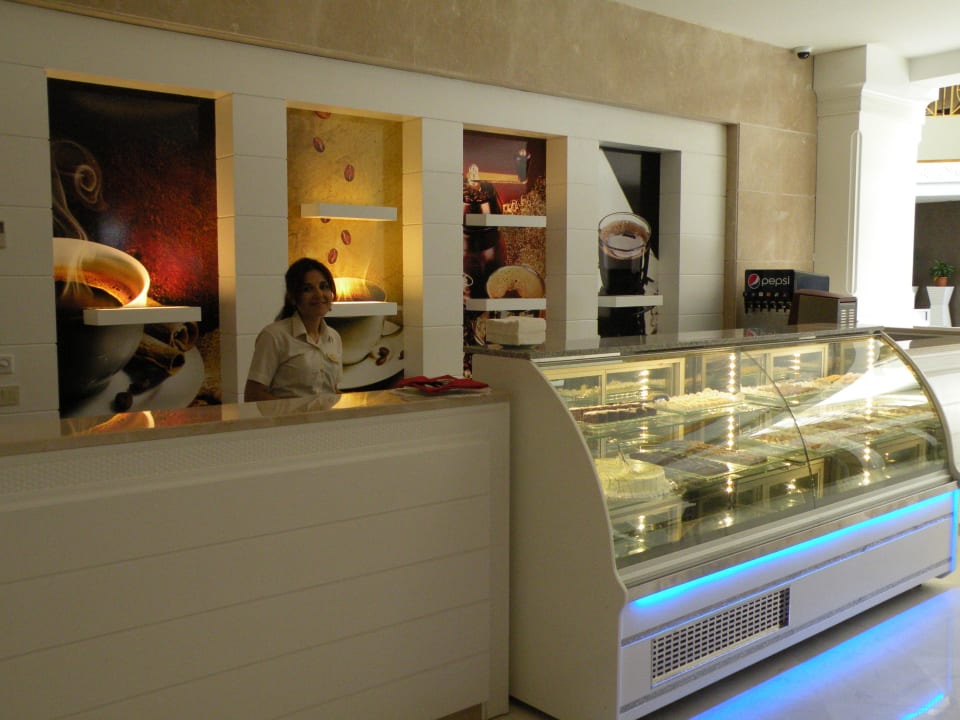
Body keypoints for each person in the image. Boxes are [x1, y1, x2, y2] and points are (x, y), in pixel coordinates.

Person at [244, 258, 343, 401]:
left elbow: (332, 390)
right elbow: (253, 395)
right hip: (288, 416)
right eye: (307, 289)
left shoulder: (334, 337)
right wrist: (294, 411)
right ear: (293, 297)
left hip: (326, 416)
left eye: (324, 286)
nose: (319, 294)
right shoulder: (274, 336)